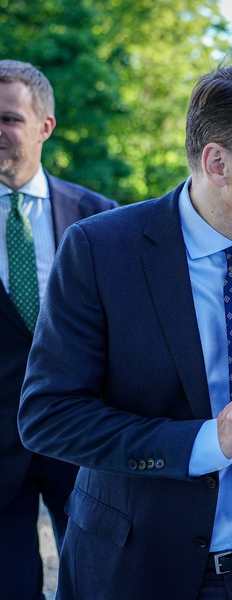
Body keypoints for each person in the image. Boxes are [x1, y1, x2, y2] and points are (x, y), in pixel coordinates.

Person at [18, 62, 232, 600]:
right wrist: (203, 443)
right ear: (217, 163)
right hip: (154, 572)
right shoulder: (101, 251)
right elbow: (50, 416)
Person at [0, 60, 117, 600]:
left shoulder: (98, 217)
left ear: (45, 126)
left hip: (81, 439)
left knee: (95, 580)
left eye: (9, 119)